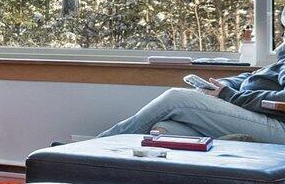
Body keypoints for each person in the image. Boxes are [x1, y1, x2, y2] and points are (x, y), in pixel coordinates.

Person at [101, 53, 285, 144]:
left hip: (278, 125)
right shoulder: (281, 60)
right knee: (167, 129)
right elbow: (251, 78)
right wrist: (218, 85)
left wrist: (229, 95)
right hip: (257, 115)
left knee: (177, 98)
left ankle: (100, 145)